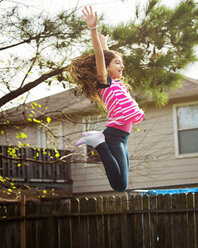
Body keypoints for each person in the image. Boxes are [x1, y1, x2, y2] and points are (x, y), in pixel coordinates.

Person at [67, 6, 144, 192]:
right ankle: (98, 142)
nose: (122, 66)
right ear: (107, 68)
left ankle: (98, 141)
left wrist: (104, 43)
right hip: (113, 137)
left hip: (123, 137)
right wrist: (93, 30)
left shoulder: (118, 84)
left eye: (122, 63)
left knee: (122, 184)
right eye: (118, 63)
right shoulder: (105, 82)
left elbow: (107, 56)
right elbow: (101, 57)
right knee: (118, 185)